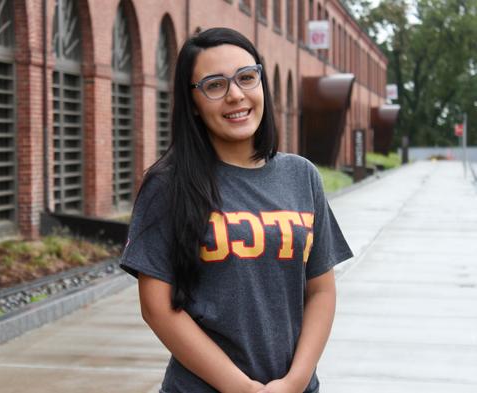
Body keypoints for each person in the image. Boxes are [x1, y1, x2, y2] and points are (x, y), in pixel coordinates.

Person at [120, 27, 353, 393]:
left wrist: (295, 382)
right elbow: (158, 308)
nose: (235, 95)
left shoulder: (301, 176)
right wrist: (241, 388)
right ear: (193, 103)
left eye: (246, 78)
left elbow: (321, 290)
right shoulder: (168, 184)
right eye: (215, 85)